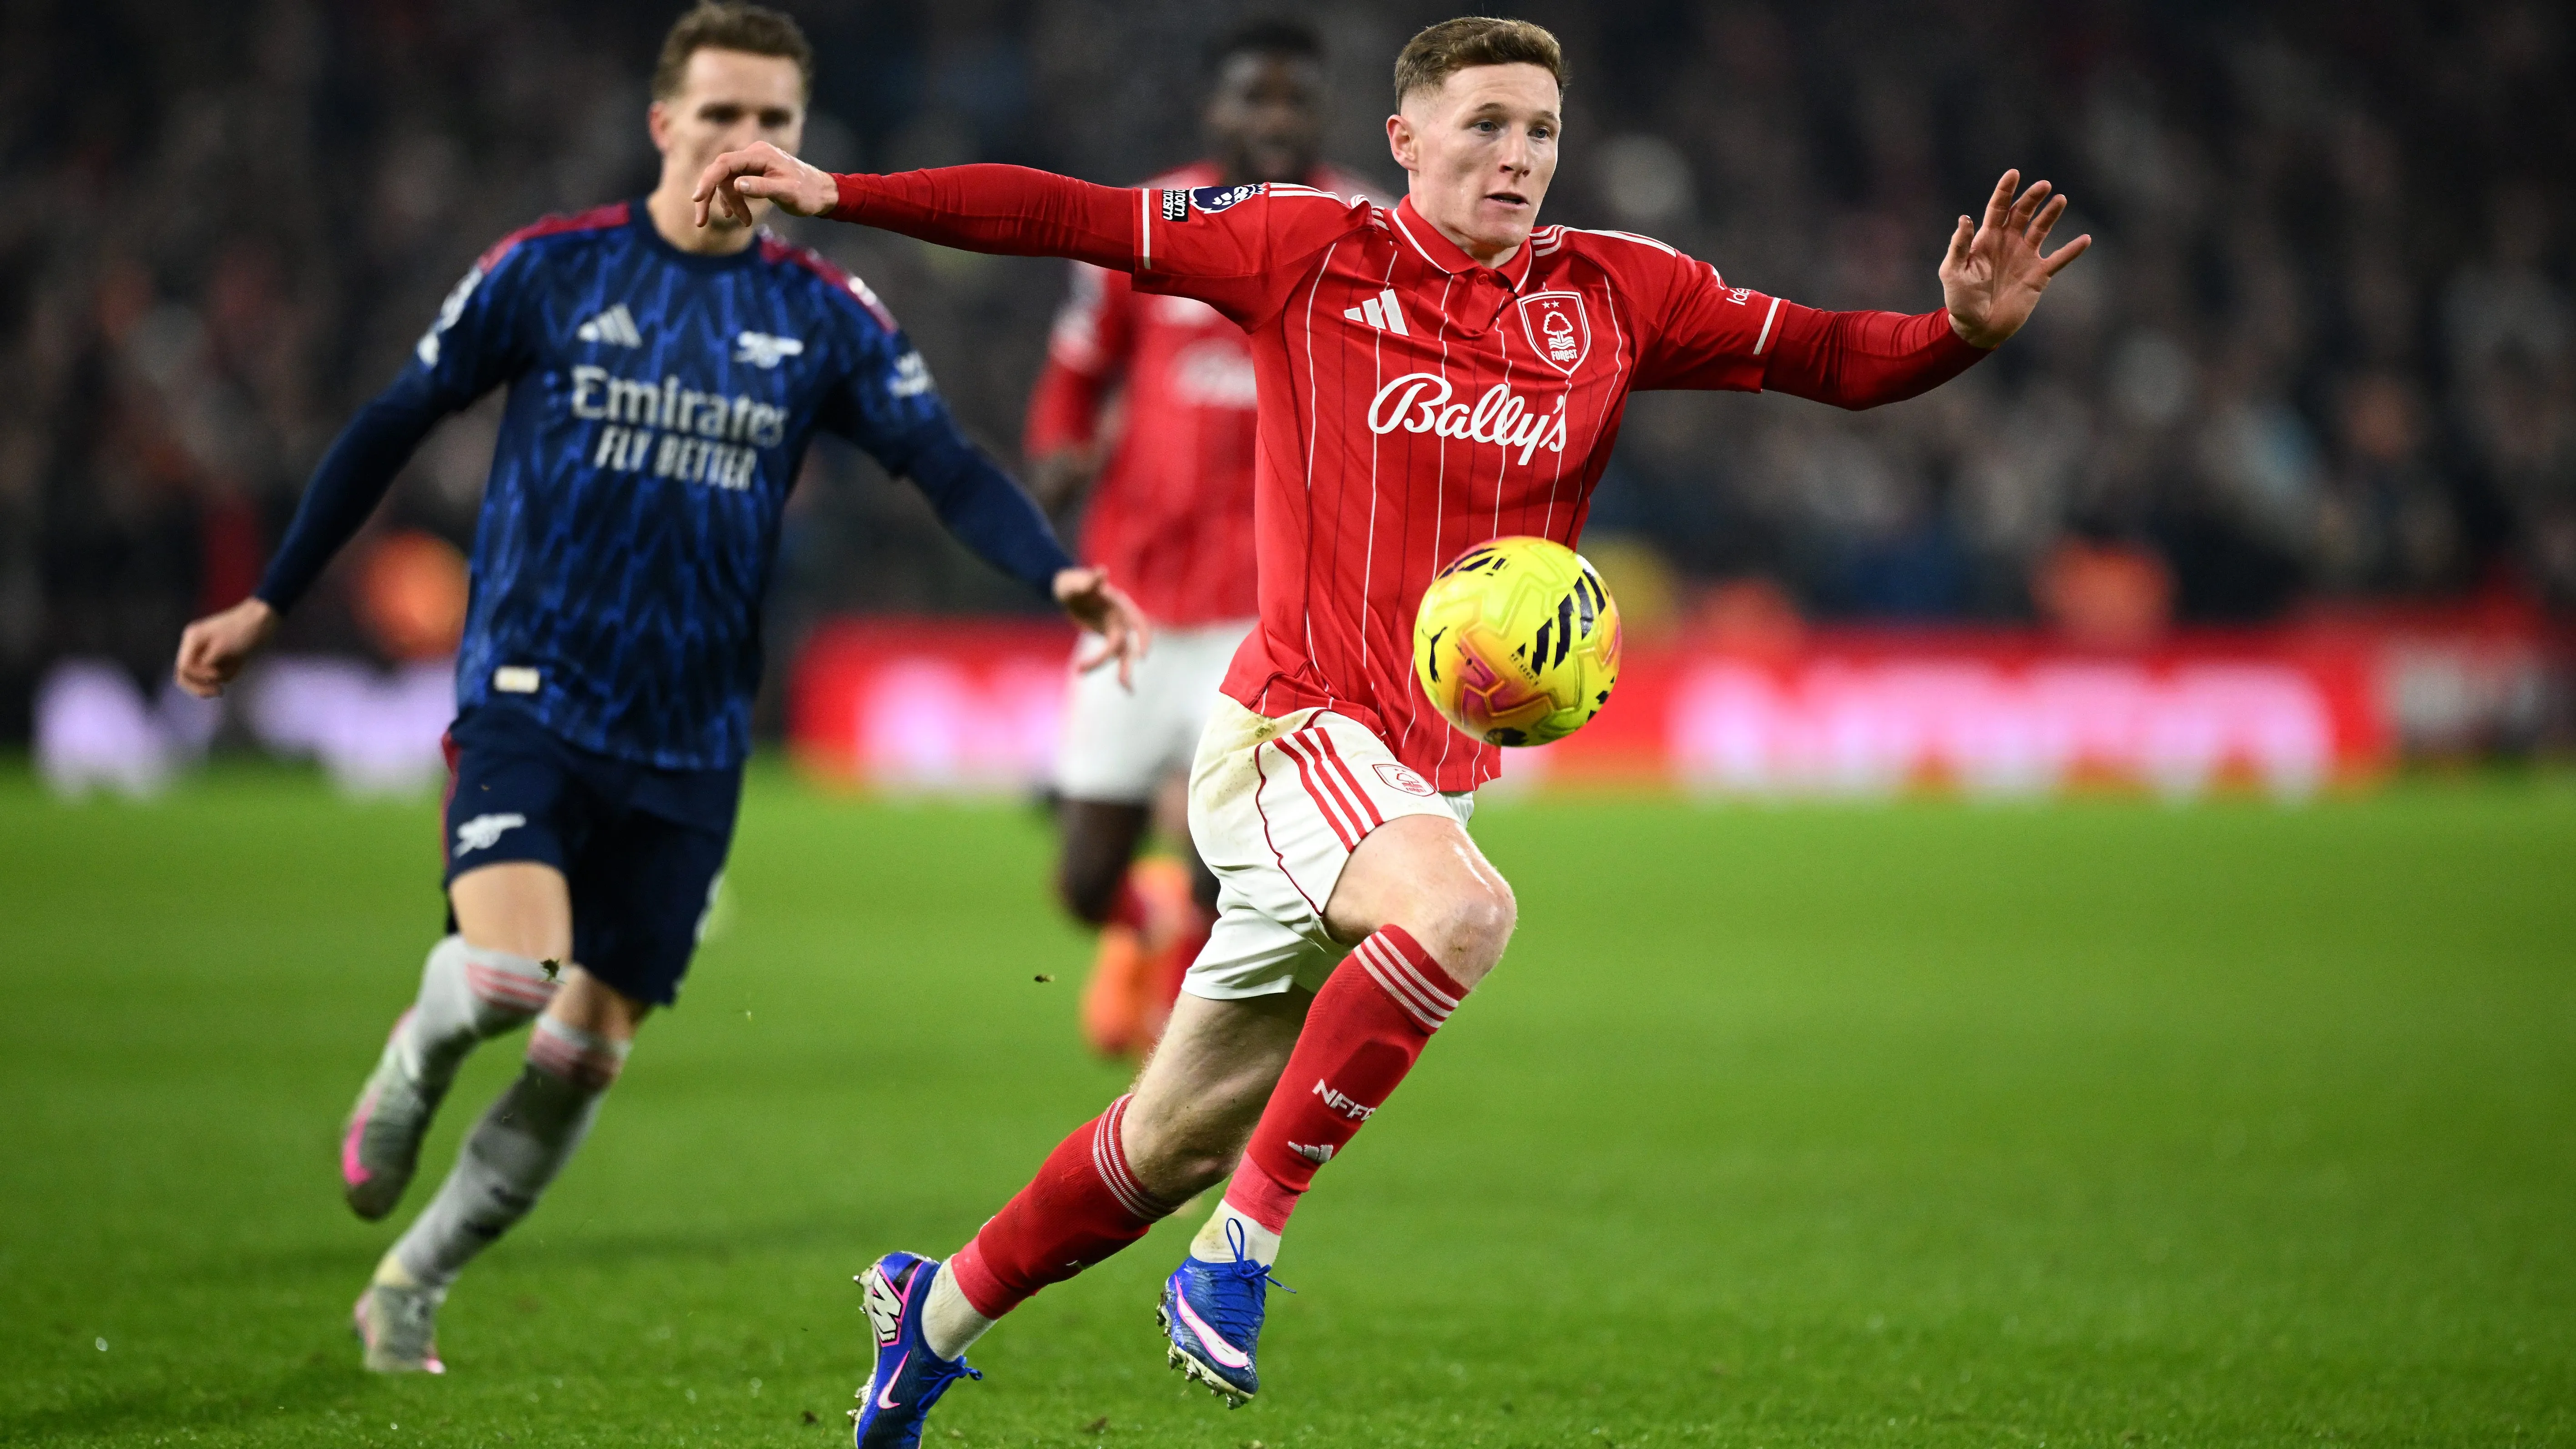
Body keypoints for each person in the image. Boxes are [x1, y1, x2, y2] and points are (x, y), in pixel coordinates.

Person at [695, 14, 2087, 1438]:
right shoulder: (1307, 249)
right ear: (1402, 141)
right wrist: (841, 193)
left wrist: (1954, 337)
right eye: (1483, 125)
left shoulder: (1618, 293)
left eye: (1539, 130)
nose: (1517, 156)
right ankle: (1237, 1257)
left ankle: (927, 1320)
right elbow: (1073, 214)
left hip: (1420, 777)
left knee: (1167, 1138)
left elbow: (1832, 357)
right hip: (1291, 727)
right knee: (1466, 918)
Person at [172, 1, 1144, 1377]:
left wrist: (1053, 572)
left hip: (691, 738)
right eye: (724, 115)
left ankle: (415, 1279)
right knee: (511, 974)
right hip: (532, 688)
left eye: (777, 123)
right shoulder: (550, 271)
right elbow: (394, 420)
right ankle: (413, 1063)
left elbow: (941, 459)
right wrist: (270, 596)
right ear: (663, 123)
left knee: (588, 1048)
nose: (749, 144)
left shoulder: (821, 314)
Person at [1024, 18, 1385, 1058]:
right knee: (1083, 877)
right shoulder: (1150, 227)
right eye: (1252, 99)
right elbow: (1075, 369)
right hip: (1132, 597)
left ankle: (1171, 1076)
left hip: (1264, 613)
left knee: (1222, 863)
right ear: (1214, 110)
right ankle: (1135, 929)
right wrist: (1057, 445)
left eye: (1294, 102)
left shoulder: (1366, 232)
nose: (1274, 119)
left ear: (1320, 112)